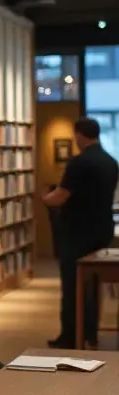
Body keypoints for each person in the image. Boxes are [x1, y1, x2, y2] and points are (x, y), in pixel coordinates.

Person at [42, 116, 118, 348]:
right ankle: (90, 333)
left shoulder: (79, 162)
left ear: (79, 135)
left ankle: (71, 335)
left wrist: (43, 198)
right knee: (93, 284)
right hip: (102, 230)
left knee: (72, 284)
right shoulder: (110, 161)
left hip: (77, 232)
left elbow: (61, 196)